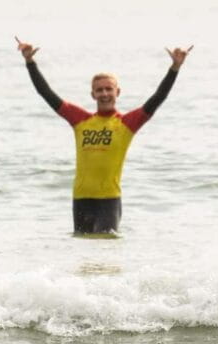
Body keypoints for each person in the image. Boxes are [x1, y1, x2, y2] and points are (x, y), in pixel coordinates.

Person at [16, 36, 192, 235]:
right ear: (93, 94)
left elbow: (158, 97)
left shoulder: (127, 123)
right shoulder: (80, 120)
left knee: (106, 248)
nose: (104, 93)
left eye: (109, 89)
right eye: (99, 90)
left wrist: (175, 68)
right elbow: (46, 93)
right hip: (81, 199)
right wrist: (30, 62)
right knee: (82, 249)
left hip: (109, 200)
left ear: (118, 92)